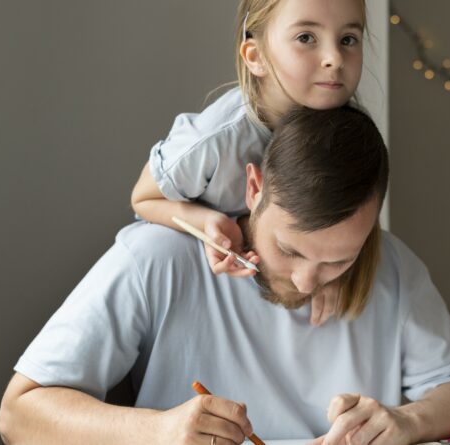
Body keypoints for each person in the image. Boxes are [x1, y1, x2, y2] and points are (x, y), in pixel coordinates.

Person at [0, 106, 450, 445]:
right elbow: (18, 414)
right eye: (289, 250)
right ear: (254, 187)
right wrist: (158, 432)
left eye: (338, 260)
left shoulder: (390, 266)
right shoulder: (158, 258)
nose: (307, 283)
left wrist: (407, 420)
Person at [131, 0, 368, 326]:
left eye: (348, 40)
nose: (335, 59)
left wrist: (330, 271)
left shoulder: (346, 134)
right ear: (255, 57)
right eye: (306, 38)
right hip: (206, 285)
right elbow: (143, 198)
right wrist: (208, 223)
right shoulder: (212, 142)